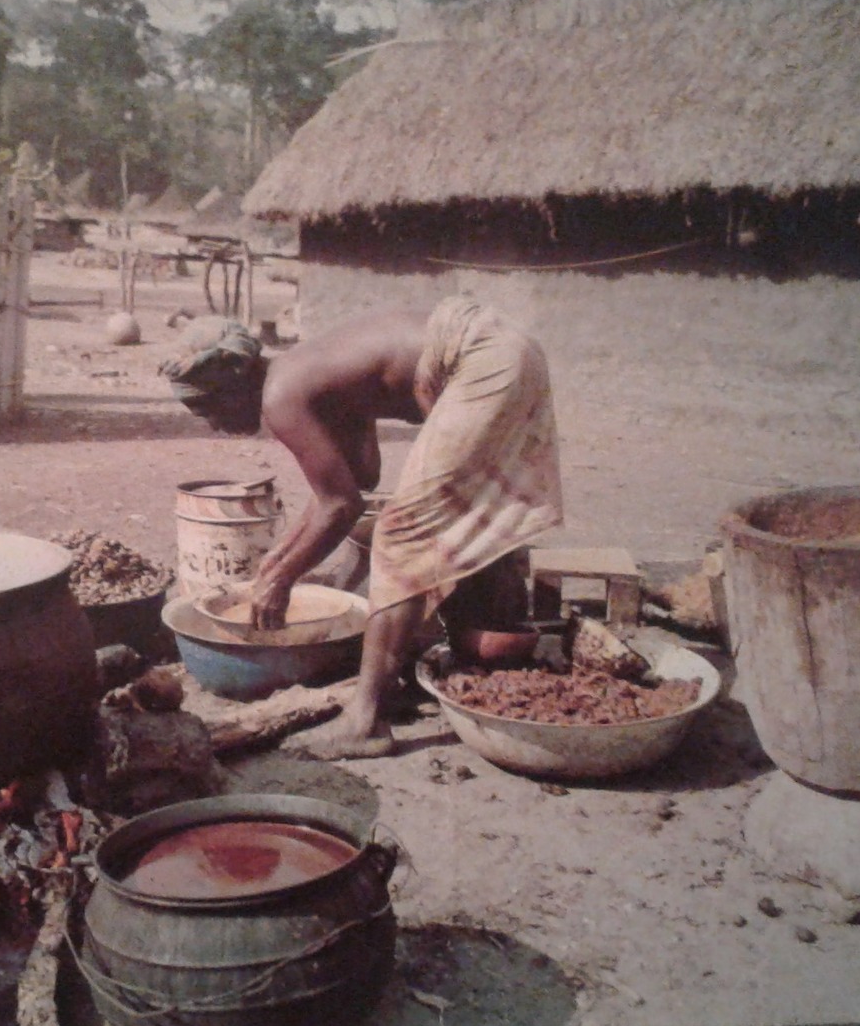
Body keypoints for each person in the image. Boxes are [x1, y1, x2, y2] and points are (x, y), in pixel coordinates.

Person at [162, 296, 564, 758]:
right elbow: (359, 482)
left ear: (232, 387)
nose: (214, 426)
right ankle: (478, 643)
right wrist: (277, 560)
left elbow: (340, 506)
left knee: (402, 535)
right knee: (451, 513)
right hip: (503, 345)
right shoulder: (306, 371)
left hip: (481, 358)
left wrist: (282, 577)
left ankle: (365, 721)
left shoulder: (280, 394)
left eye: (207, 411)